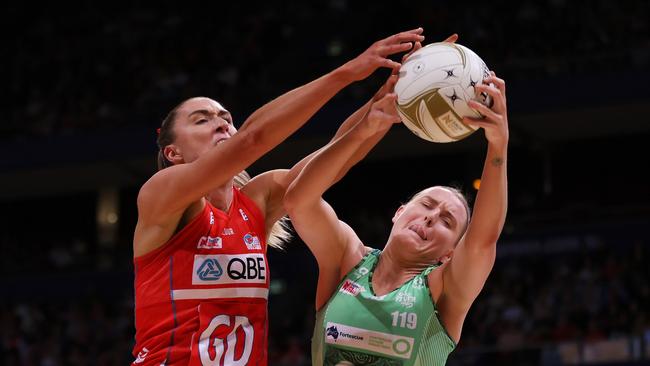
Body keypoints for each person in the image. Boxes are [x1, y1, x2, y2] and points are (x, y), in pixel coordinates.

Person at [131, 28, 427, 366]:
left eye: (227, 120)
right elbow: (252, 139)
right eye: (202, 120)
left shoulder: (257, 199)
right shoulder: (160, 194)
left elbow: (333, 159)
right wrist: (346, 73)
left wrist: (382, 103)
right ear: (173, 152)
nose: (222, 125)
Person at [283, 42, 509, 365]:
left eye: (447, 222)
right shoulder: (347, 258)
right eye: (427, 205)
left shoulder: (441, 290)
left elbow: (482, 241)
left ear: (449, 253)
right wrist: (365, 129)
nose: (432, 217)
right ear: (399, 212)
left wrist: (498, 147)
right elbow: (299, 200)